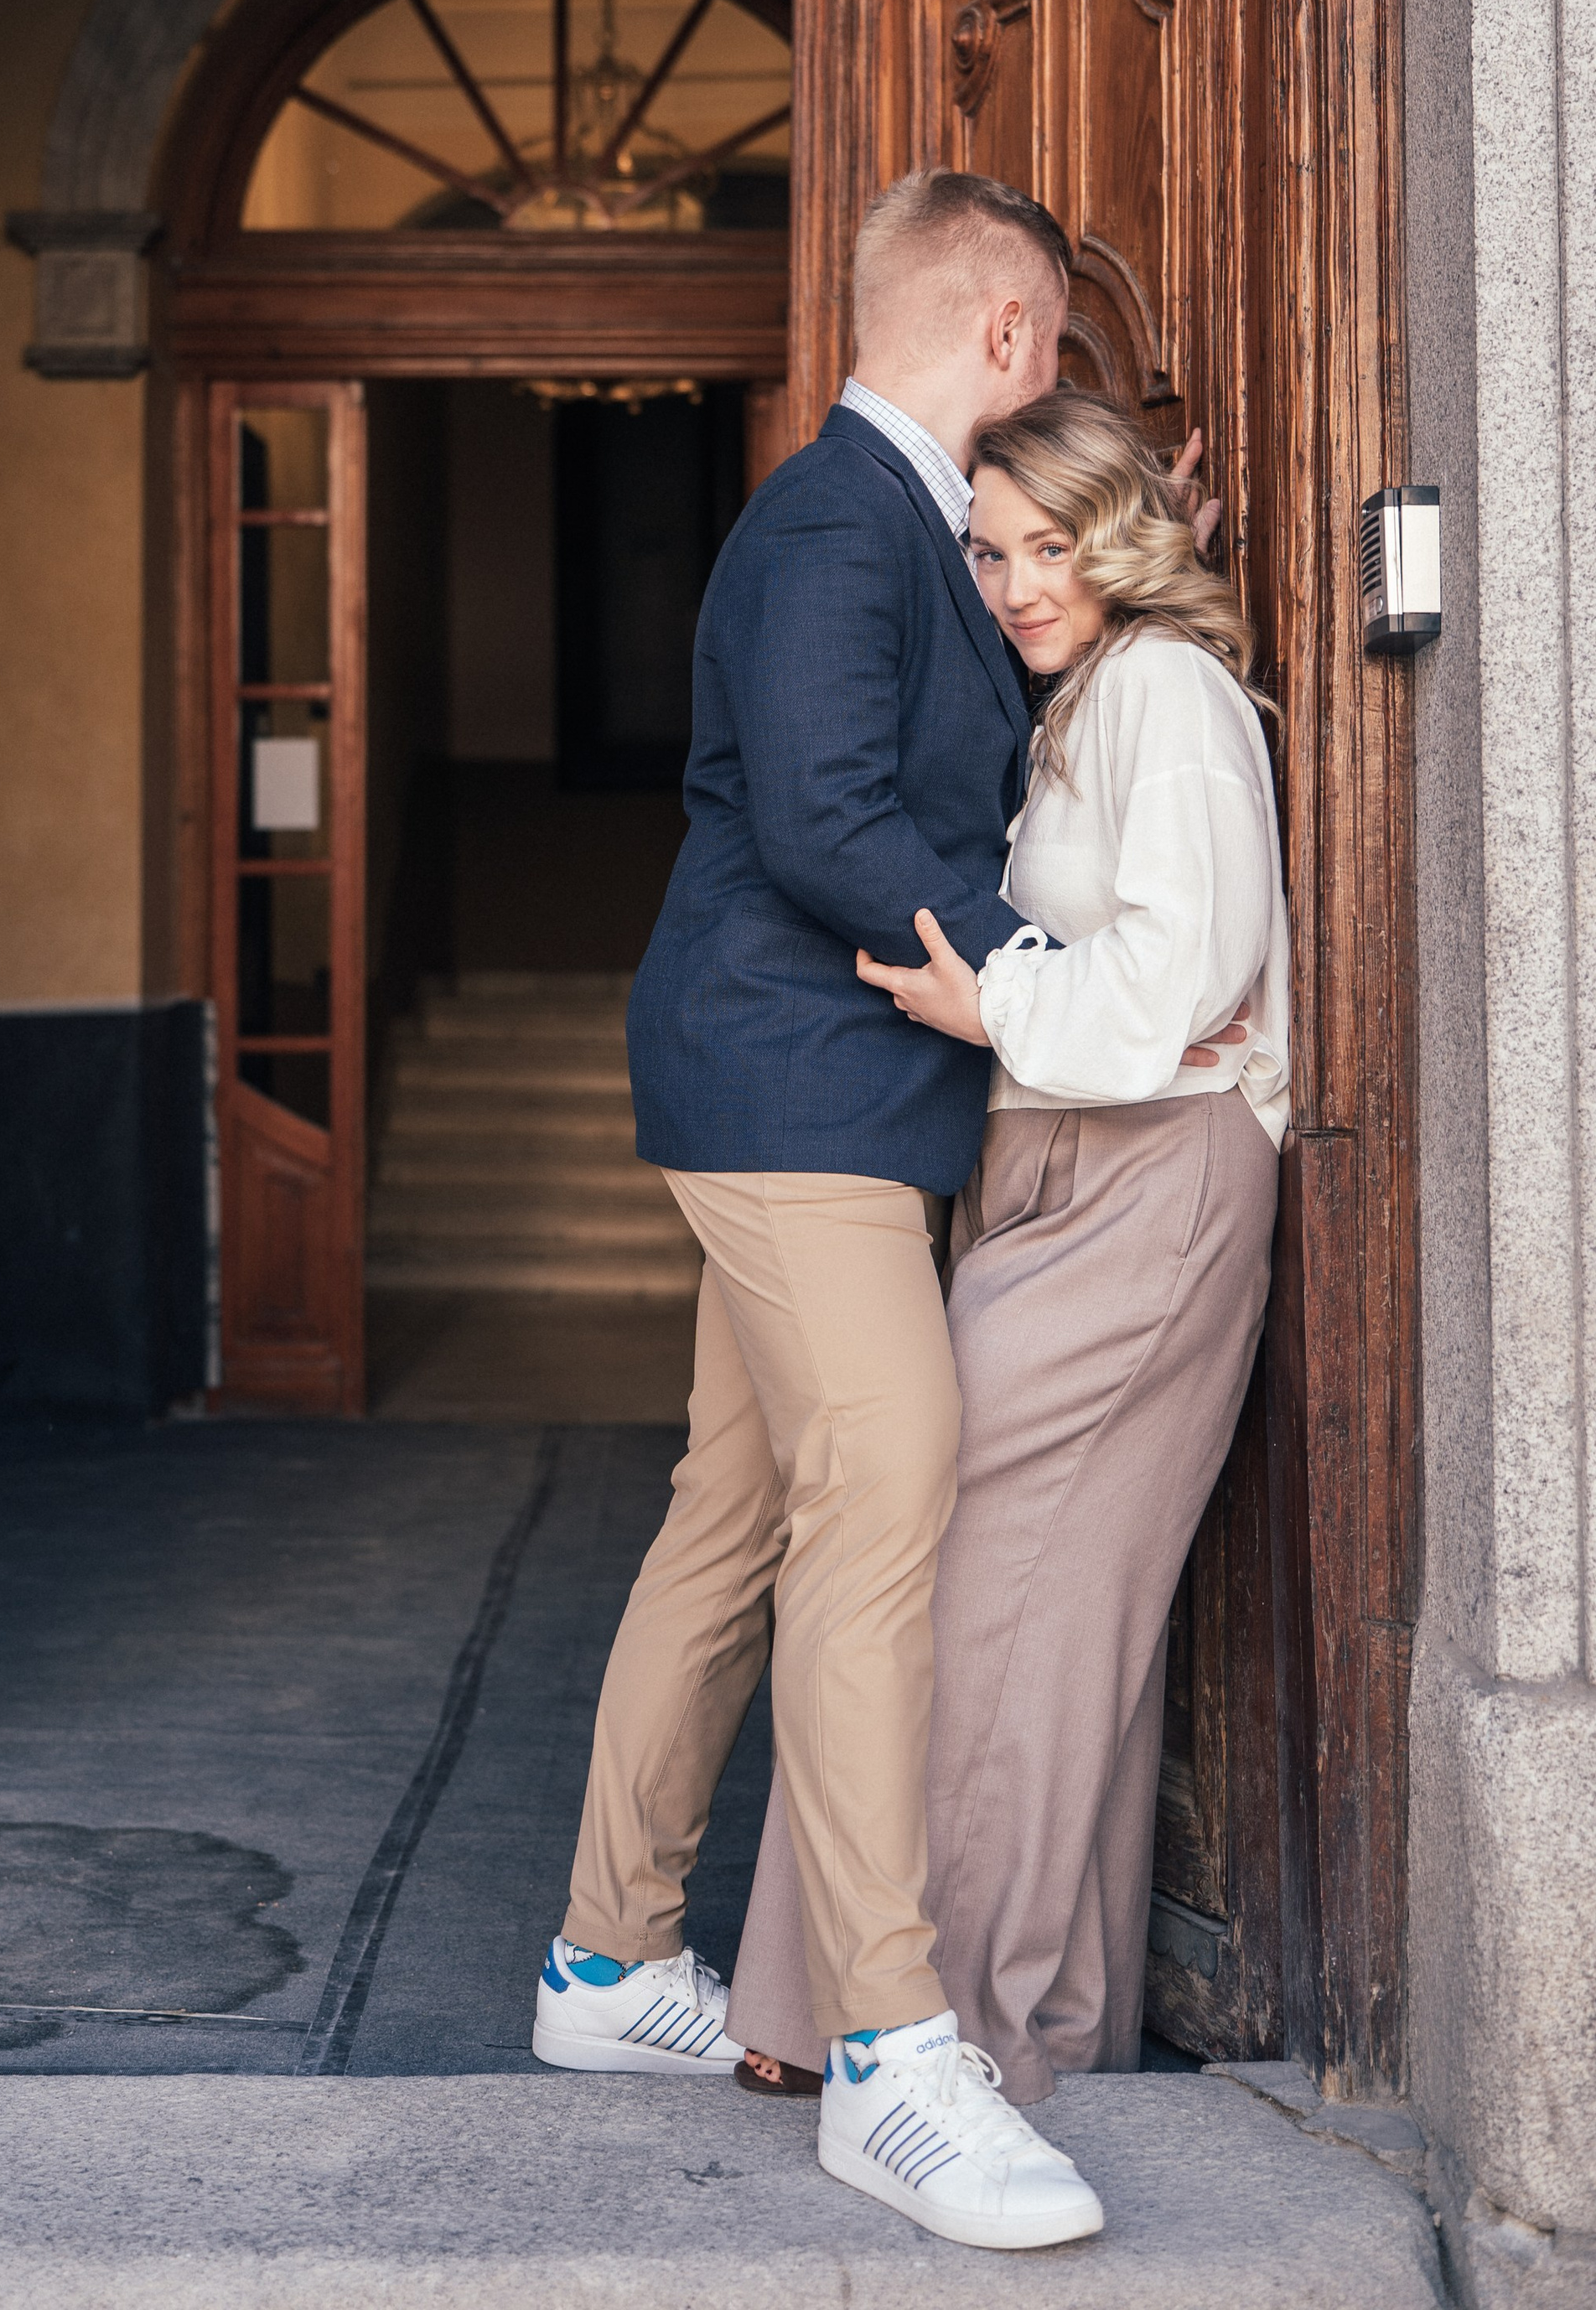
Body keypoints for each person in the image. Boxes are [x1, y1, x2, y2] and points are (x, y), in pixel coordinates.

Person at [531, 170, 1194, 2255]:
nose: (1055, 378)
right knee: (888, 1483)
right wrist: (1039, 985)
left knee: (736, 1514)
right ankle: (894, 2052)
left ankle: (602, 1968)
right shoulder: (838, 515)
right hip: (789, 1086)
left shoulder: (887, 515)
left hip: (824, 1093)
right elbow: (824, 822)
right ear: (1006, 334)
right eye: (1056, 348)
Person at [723, 383, 1289, 2141]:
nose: (1016, 580)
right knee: (1036, 1620)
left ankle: (925, 2033)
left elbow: (1184, 970)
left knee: (991, 1595)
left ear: (1122, 537)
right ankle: (1008, 2019)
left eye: (1051, 544)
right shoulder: (1078, 705)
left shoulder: (1168, 699)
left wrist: (991, 1002)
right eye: (987, 549)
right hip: (1063, 1168)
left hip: (1144, 1187)